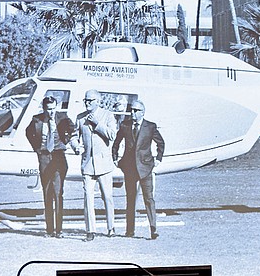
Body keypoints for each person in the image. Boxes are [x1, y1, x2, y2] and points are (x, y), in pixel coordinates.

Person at [113, 100, 165, 239]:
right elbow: (116, 143)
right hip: (129, 168)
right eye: (132, 110)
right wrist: (115, 159)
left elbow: (161, 143)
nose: (133, 113)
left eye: (136, 110)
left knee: (149, 199)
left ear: (142, 112)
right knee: (130, 200)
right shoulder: (125, 125)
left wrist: (158, 159)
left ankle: (153, 229)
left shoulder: (150, 127)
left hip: (145, 168)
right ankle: (130, 231)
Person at [25, 96, 76, 238]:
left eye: (53, 109)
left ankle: (59, 230)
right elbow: (28, 132)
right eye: (49, 109)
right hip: (44, 158)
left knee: (58, 193)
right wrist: (37, 148)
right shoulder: (37, 119)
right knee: (47, 193)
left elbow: (72, 130)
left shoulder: (63, 118)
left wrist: (66, 141)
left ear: (57, 107)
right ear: (44, 108)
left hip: (59, 156)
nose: (51, 112)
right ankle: (49, 229)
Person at [74, 89, 118, 241]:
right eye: (86, 100)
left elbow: (112, 135)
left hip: (104, 164)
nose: (87, 103)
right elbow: (74, 136)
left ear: (98, 102)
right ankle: (90, 231)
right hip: (87, 165)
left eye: (90, 100)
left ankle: (111, 227)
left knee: (107, 197)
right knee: (87, 197)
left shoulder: (108, 115)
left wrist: (97, 123)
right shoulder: (80, 118)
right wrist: (75, 146)